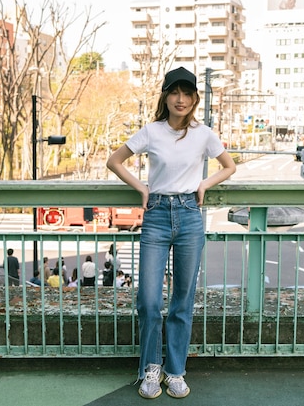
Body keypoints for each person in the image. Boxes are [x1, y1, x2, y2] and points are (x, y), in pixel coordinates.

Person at [106, 66, 236, 399]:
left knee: (182, 301)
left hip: (190, 215)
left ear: (194, 98)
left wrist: (204, 183)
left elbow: (229, 166)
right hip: (157, 215)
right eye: (175, 92)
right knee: (149, 299)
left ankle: (175, 370)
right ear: (166, 96)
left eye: (187, 93)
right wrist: (143, 188)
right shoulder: (152, 131)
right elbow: (115, 160)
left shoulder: (204, 134)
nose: (181, 99)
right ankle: (150, 368)